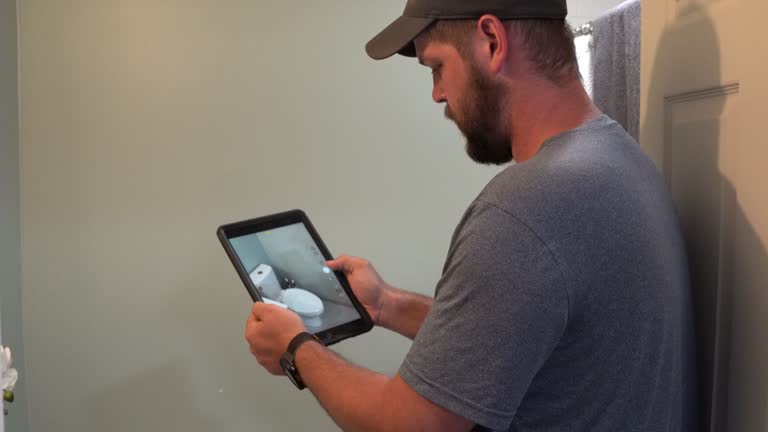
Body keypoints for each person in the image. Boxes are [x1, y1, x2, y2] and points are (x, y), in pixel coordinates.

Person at [244, 0, 697, 430]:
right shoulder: (622, 159)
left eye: (437, 67)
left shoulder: (526, 209)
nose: (438, 94)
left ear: (492, 42)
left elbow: (409, 424)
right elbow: (515, 339)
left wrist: (296, 348)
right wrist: (386, 304)